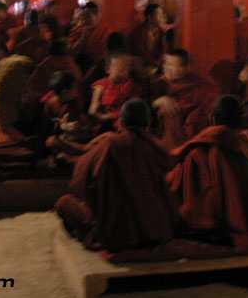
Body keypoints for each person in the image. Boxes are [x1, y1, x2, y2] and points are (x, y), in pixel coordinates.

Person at [55, 99, 180, 252]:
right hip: (156, 229)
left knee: (64, 202)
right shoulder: (156, 147)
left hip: (115, 232)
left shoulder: (110, 144)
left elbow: (79, 181)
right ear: (148, 123)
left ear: (120, 122)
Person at [167, 95, 248, 247]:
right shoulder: (247, 146)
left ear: (213, 118)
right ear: (240, 119)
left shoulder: (197, 150)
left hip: (206, 227)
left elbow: (174, 185)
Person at [150, 49, 220, 152]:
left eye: (172, 65)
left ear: (187, 68)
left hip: (188, 139)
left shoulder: (199, 86)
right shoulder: (158, 84)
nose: (167, 68)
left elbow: (207, 112)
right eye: (166, 64)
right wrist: (158, 102)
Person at [89, 51, 144, 126]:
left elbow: (133, 107)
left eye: (126, 67)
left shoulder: (132, 85)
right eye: (119, 67)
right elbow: (93, 110)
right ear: (108, 69)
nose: (123, 71)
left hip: (126, 118)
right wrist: (104, 116)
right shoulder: (101, 85)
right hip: (106, 121)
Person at [68, 1, 111, 74]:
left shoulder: (106, 30)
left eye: (87, 16)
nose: (84, 20)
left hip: (101, 66)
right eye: (83, 17)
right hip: (81, 66)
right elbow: (71, 53)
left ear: (98, 15)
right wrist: (82, 39)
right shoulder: (77, 30)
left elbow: (108, 54)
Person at [126, 3, 167, 73]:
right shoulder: (138, 32)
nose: (162, 17)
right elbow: (141, 52)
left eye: (162, 14)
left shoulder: (161, 33)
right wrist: (154, 62)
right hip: (140, 67)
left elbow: (162, 52)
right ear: (149, 17)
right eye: (159, 14)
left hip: (155, 67)